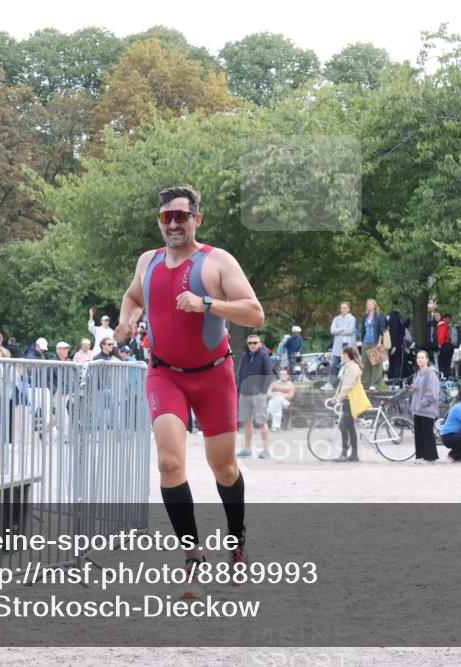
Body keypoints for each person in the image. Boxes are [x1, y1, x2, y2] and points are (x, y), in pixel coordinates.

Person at [113, 184, 263, 596]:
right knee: (168, 464)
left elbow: (255, 313)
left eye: (182, 216)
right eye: (167, 217)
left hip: (214, 375)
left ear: (198, 218)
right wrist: (128, 319)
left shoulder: (216, 262)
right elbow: (132, 295)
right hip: (165, 374)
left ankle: (236, 538)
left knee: (224, 468)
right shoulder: (149, 261)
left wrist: (208, 304)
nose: (174, 223)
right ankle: (192, 554)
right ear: (160, 221)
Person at [237, 334, 273, 459]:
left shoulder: (264, 356)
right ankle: (247, 449)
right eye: (250, 343)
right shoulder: (244, 356)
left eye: (255, 343)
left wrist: (263, 391)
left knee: (262, 422)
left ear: (260, 343)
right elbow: (240, 373)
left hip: (258, 394)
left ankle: (266, 450)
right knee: (246, 422)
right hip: (244, 393)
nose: (252, 345)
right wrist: (239, 389)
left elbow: (269, 374)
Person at [332, 345, 364, 462]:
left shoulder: (353, 367)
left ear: (346, 355)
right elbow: (342, 384)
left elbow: (348, 385)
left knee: (343, 426)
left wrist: (339, 397)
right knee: (349, 427)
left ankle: (344, 454)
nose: (340, 355)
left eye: (342, 354)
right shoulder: (349, 367)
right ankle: (354, 454)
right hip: (347, 399)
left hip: (350, 400)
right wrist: (336, 396)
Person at [410, 350, 440, 462]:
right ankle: (420, 456)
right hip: (417, 409)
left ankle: (430, 457)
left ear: (427, 359)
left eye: (422, 357)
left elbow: (432, 392)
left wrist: (423, 402)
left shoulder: (430, 373)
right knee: (418, 434)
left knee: (427, 434)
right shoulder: (418, 373)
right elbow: (418, 389)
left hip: (426, 409)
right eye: (418, 357)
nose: (420, 360)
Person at [323, 302, 356, 391]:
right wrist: (342, 328)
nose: (343, 309)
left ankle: (348, 384)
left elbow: (350, 331)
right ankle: (330, 383)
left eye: (345, 307)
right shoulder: (336, 319)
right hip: (337, 346)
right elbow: (332, 331)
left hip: (348, 345)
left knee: (348, 364)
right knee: (334, 364)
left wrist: (338, 331)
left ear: (349, 309)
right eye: (341, 307)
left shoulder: (352, 318)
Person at [359, 298, 387, 390]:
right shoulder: (365, 317)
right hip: (366, 341)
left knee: (376, 364)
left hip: (376, 342)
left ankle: (375, 384)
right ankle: (365, 384)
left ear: (375, 306)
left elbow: (381, 330)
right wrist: (362, 341)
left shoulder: (379, 316)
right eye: (368, 304)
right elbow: (363, 329)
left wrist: (379, 342)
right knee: (365, 363)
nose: (369, 306)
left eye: (371, 304)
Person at [386, 308, 408, 382]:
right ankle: (396, 380)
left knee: (391, 363)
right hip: (397, 344)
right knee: (398, 364)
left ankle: (390, 379)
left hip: (388, 344)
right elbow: (396, 332)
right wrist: (395, 345)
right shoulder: (397, 319)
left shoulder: (388, 318)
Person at [437, 313, 456, 378]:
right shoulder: (448, 325)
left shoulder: (442, 325)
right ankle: (448, 377)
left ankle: (444, 377)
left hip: (445, 346)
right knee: (448, 363)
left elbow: (441, 336)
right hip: (450, 346)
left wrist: (440, 345)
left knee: (442, 363)